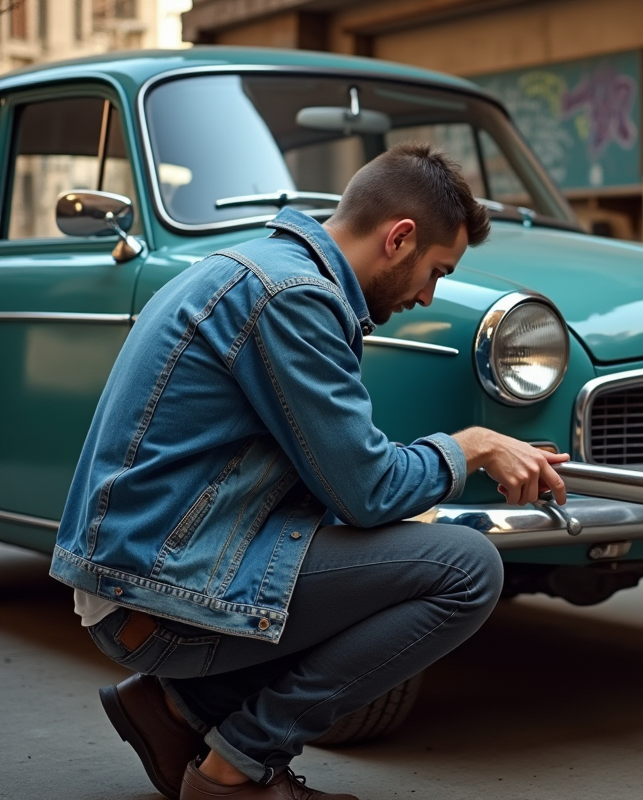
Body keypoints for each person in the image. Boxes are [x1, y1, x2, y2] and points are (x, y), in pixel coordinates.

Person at [50, 143, 568, 800]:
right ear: (399, 238)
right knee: (467, 571)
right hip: (155, 592)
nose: (427, 294)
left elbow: (343, 475)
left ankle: (178, 712)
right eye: (435, 271)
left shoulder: (260, 268)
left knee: (392, 554)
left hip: (145, 572)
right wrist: (472, 447)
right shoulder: (293, 297)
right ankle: (238, 767)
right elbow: (368, 491)